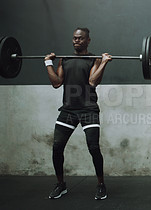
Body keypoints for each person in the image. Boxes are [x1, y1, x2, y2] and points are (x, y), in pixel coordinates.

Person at [44, 27, 112, 200]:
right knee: (57, 147)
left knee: (93, 147)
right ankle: (61, 184)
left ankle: (101, 184)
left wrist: (103, 62)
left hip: (88, 109)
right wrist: (48, 63)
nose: (76, 41)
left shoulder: (93, 59)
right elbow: (57, 83)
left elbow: (92, 81)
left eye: (80, 39)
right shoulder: (65, 59)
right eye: (74, 38)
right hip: (68, 109)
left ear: (88, 40)